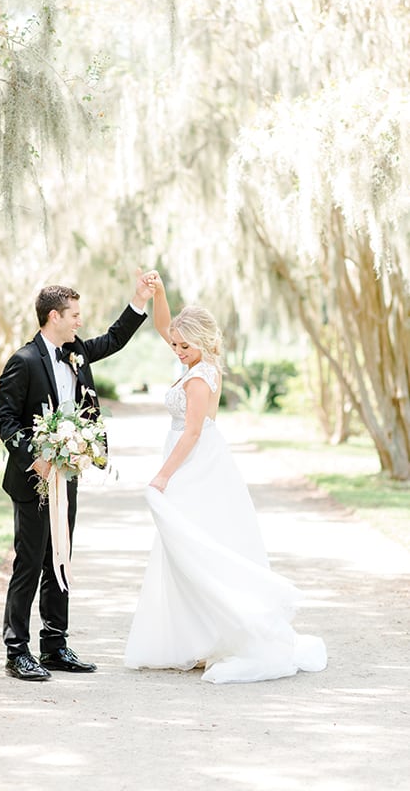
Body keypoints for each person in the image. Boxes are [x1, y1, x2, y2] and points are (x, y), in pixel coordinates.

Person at [124, 273, 327, 683]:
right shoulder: (200, 360)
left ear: (204, 342)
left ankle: (216, 637)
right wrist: (159, 294)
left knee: (198, 547)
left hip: (196, 466)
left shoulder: (200, 376)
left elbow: (193, 432)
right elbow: (166, 327)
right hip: (196, 460)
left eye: (184, 345)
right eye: (176, 345)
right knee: (188, 547)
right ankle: (200, 637)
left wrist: (162, 476)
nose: (177, 350)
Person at [0, 271, 154, 681]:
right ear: (53, 317)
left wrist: (139, 300)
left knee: (60, 559)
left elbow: (115, 339)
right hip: (33, 480)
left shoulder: (76, 351)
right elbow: (6, 418)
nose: (80, 322)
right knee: (29, 562)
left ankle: (55, 645)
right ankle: (17, 651)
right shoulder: (24, 361)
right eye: (74, 315)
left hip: (67, 476)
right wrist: (34, 457)